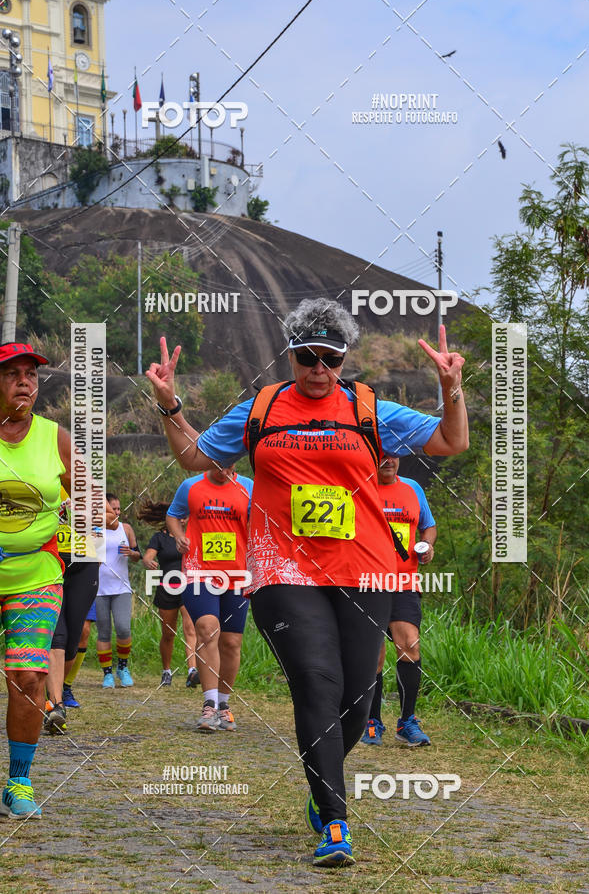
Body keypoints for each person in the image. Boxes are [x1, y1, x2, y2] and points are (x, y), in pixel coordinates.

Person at [146, 298, 468, 867]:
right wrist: (170, 403)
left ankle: (323, 785)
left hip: (366, 571)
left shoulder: (369, 409)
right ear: (291, 355)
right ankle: (336, 820)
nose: (318, 368)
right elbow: (194, 457)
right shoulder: (262, 409)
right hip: (282, 570)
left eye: (330, 358)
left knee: (356, 696)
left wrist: (451, 387)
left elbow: (451, 441)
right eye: (306, 356)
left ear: (343, 359)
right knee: (317, 683)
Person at [0, 342, 70, 818]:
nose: (25, 381)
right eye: (12, 374)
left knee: (28, 676)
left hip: (37, 575)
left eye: (31, 374)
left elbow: (87, 497)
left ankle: (18, 783)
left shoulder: (56, 437)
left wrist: (69, 534)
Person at [165, 465, 253, 730]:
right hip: (198, 570)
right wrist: (179, 537)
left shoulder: (249, 487)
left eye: (229, 462)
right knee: (206, 630)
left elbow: (262, 523)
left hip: (237, 573)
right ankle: (209, 705)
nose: (224, 467)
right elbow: (172, 515)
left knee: (231, 643)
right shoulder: (190, 486)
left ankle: (224, 704)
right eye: (218, 460)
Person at [360, 455, 437, 747]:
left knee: (410, 644)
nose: (388, 460)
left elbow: (428, 526)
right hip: (367, 582)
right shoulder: (361, 487)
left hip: (404, 581)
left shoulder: (413, 488)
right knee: (374, 653)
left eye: (393, 455)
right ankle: (371, 720)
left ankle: (407, 722)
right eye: (381, 455)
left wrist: (428, 545)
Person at [43, 488, 110, 732]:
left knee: (73, 639)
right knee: (55, 637)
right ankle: (55, 705)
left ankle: (51, 692)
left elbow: (110, 519)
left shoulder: (84, 483)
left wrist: (87, 512)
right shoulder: (42, 473)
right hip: (50, 559)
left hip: (84, 562)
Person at [138, 500, 198, 688]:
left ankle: (192, 671)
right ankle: (166, 671)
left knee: (190, 629)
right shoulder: (159, 537)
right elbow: (148, 556)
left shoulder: (192, 536)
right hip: (167, 588)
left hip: (189, 586)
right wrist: (148, 561)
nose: (183, 520)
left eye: (185, 516)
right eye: (180, 516)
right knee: (168, 633)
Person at [96, 493, 140, 688]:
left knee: (123, 628)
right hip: (99, 588)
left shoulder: (126, 528)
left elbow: (137, 554)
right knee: (103, 632)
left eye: (118, 508)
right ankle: (107, 674)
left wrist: (131, 553)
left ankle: (122, 668)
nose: (117, 512)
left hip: (121, 587)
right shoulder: (94, 529)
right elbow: (87, 558)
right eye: (113, 508)